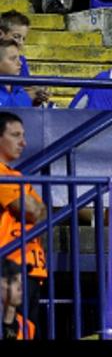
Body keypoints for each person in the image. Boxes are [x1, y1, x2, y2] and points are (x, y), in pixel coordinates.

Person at [0, 111, 46, 340]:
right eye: (15, 135)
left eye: (24, 135)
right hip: (9, 269)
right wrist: (33, 208)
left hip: (29, 269)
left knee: (27, 330)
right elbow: (29, 209)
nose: (23, 142)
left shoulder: (15, 175)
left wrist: (34, 208)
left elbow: (42, 212)